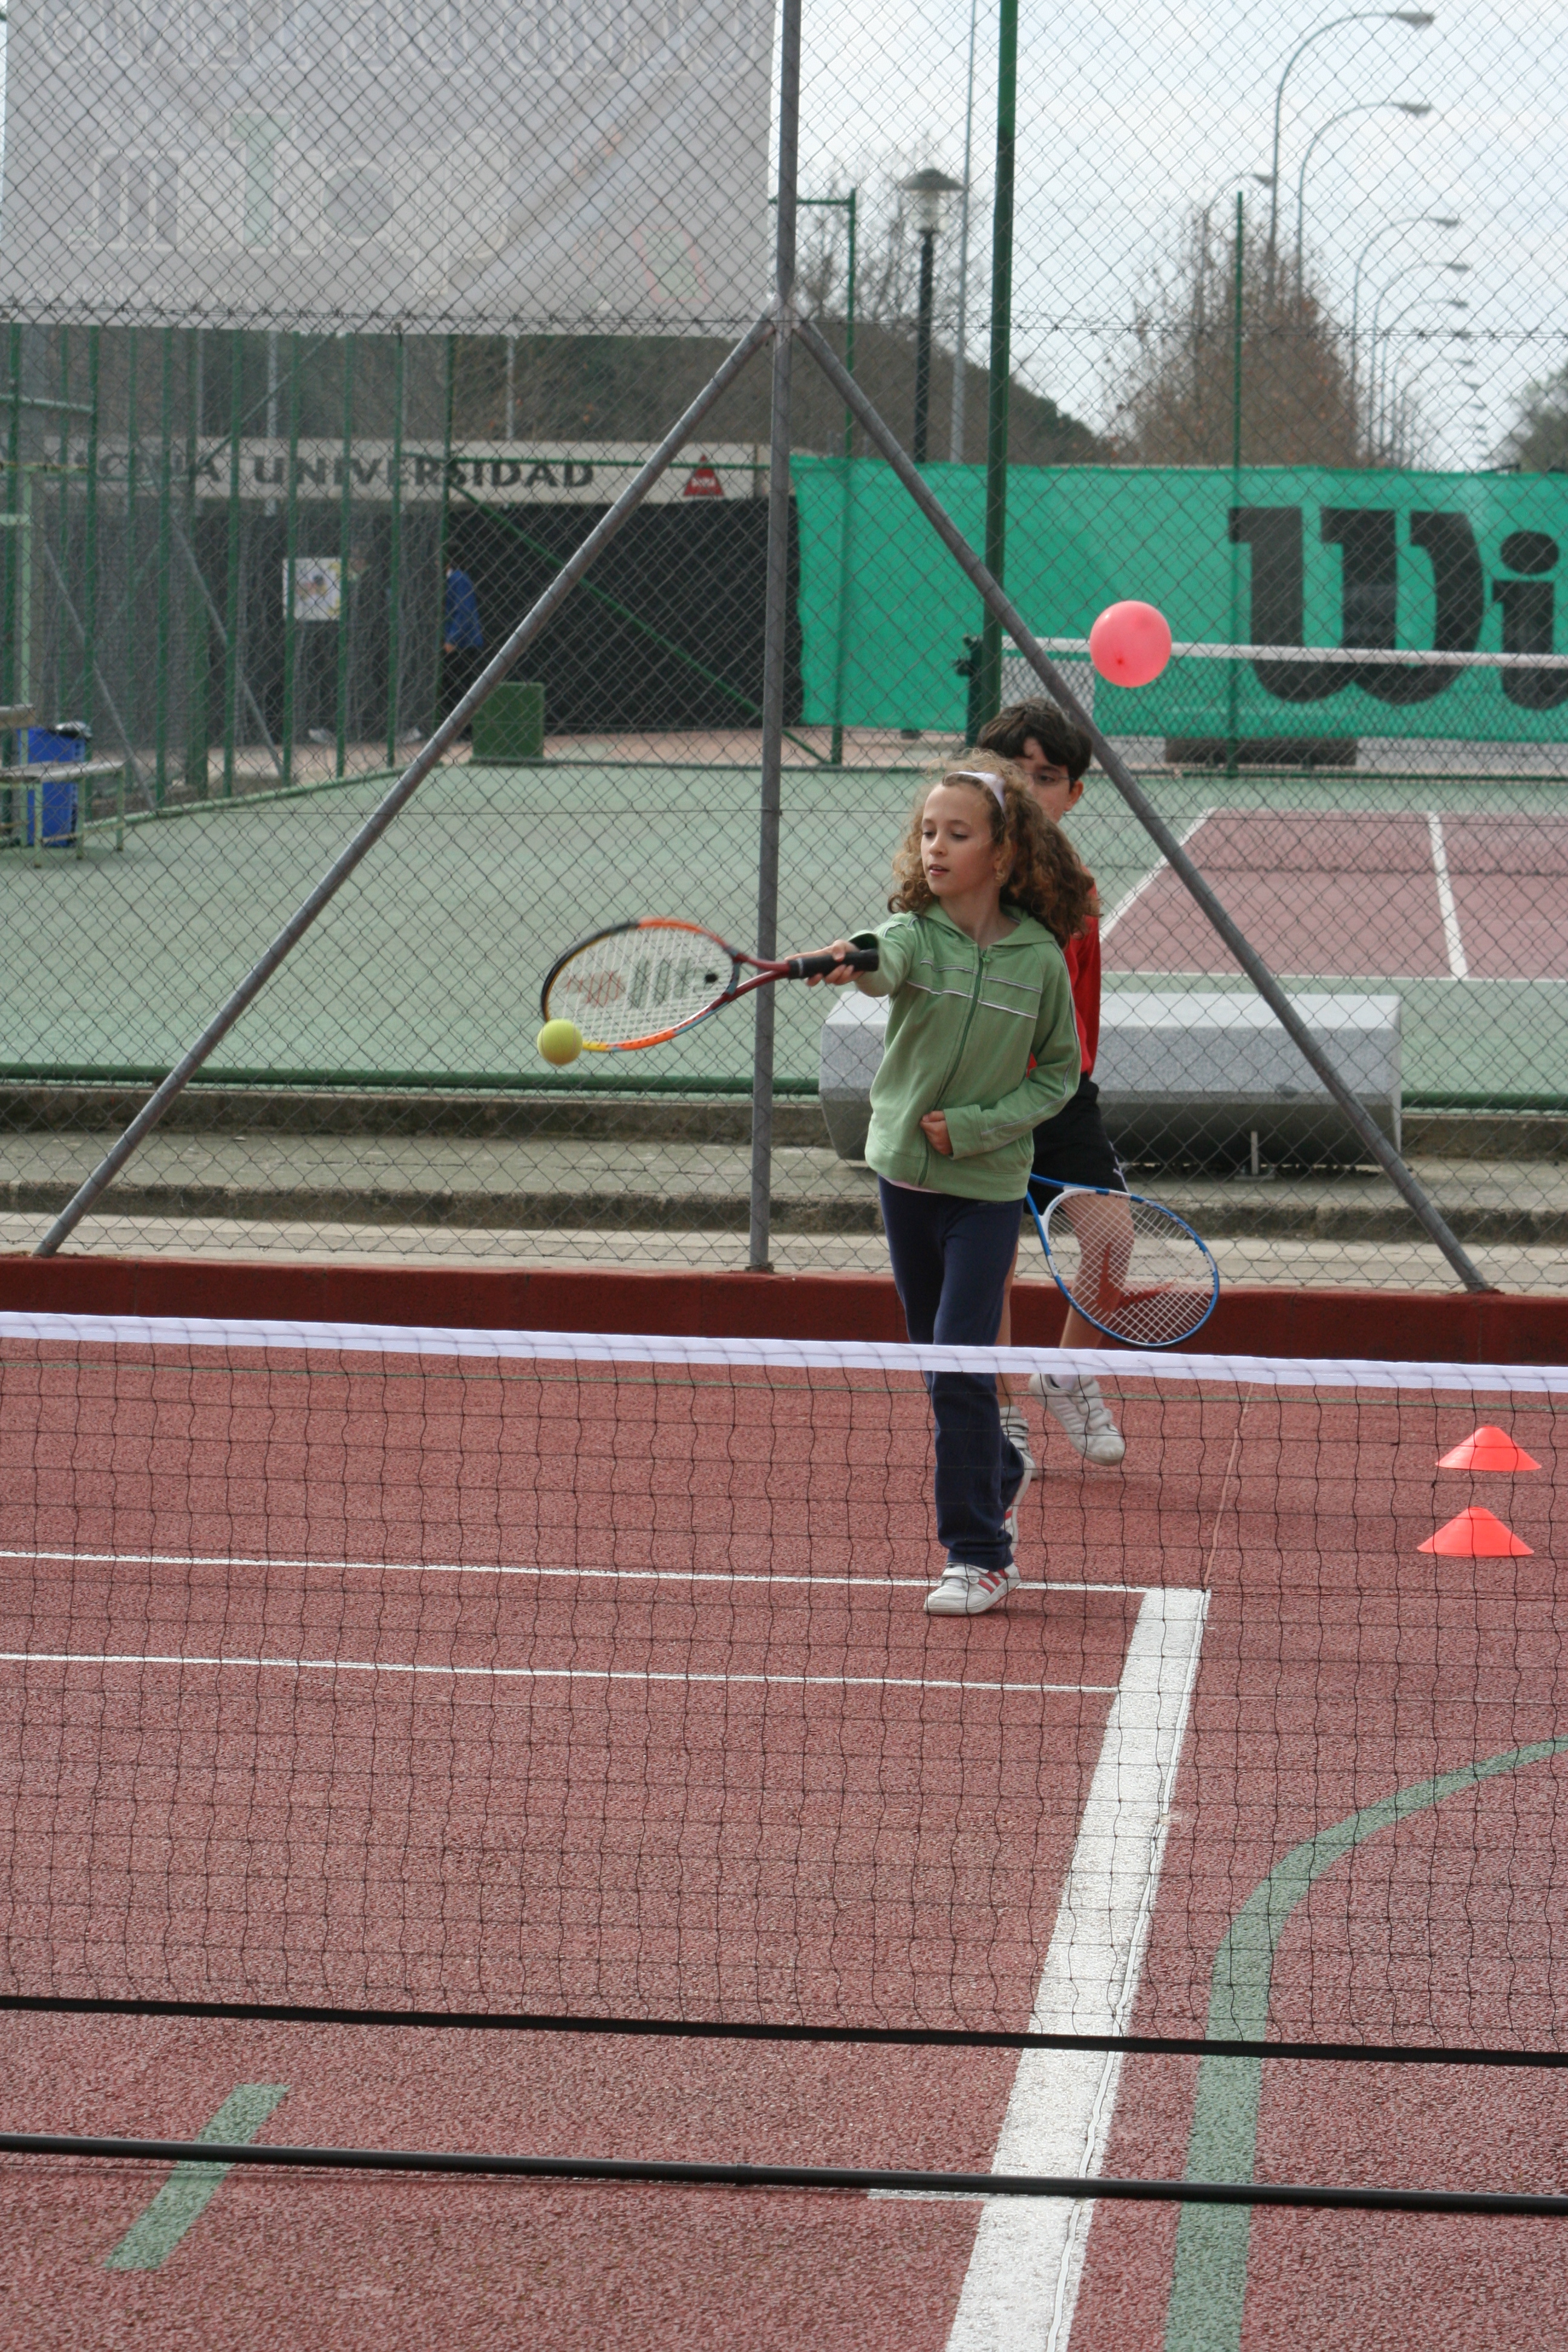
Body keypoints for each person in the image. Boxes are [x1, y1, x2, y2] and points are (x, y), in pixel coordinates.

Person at [806, 756, 1089, 1616]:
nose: (935, 847)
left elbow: (1059, 1076)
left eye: (957, 834)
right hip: (904, 1179)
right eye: (928, 832)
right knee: (938, 1365)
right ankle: (1000, 1467)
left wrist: (974, 1127)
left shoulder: (1039, 959)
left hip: (988, 1188)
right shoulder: (913, 935)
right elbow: (881, 959)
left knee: (961, 1363)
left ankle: (979, 1553)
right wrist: (848, 958)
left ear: (1001, 853)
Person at [976, 699, 1127, 1469]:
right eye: (1014, 772)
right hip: (983, 1097)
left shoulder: (1079, 886)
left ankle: (1067, 1376)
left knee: (1112, 1242)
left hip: (1064, 1095)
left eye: (1047, 776)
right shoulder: (966, 876)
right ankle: (1001, 1412)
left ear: (1072, 793)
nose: (1030, 787)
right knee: (990, 1265)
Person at [442, 559, 486, 734]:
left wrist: (452, 639)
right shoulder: (450, 580)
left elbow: (464, 612)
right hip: (458, 642)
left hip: (464, 644)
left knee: (461, 688)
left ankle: (463, 731)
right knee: (454, 688)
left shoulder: (459, 579)